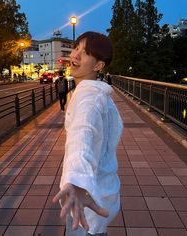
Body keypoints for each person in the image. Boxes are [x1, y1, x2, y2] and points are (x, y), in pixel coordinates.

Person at [53, 31, 123, 236]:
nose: (75, 56)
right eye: (76, 48)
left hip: (88, 198)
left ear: (98, 66)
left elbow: (82, 135)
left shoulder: (88, 98)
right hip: (103, 190)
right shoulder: (97, 94)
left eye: (85, 53)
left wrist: (77, 181)